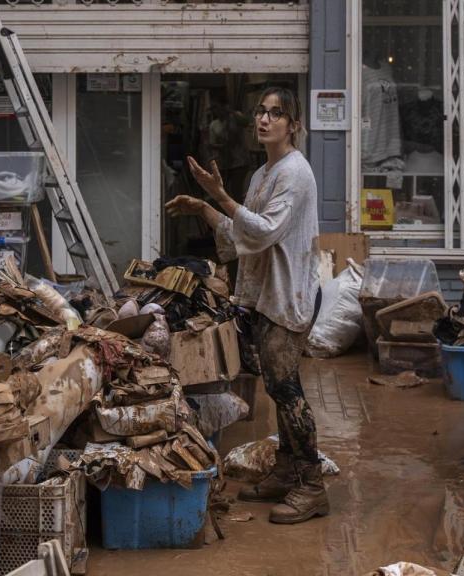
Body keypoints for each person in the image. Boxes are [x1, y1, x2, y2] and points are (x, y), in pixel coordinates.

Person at [166, 87, 326, 524]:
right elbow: (241, 238)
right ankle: (288, 469)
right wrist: (204, 206)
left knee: (287, 389)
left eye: (276, 114)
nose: (265, 119)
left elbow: (262, 231)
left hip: (288, 295)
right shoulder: (262, 175)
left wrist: (218, 196)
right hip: (266, 294)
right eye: (261, 111)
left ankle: (312, 484)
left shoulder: (295, 173)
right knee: (277, 385)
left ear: (293, 125)